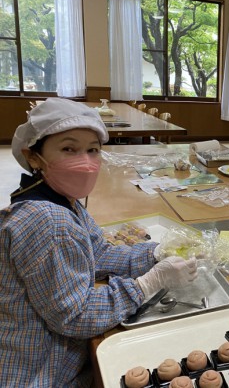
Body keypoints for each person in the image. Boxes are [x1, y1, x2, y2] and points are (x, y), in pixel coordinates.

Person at [0, 98, 198, 386]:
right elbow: (76, 316)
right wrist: (147, 284)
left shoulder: (60, 199)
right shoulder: (48, 220)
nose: (86, 161)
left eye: (93, 150)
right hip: (41, 371)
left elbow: (98, 252)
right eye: (69, 148)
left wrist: (154, 253)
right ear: (33, 156)